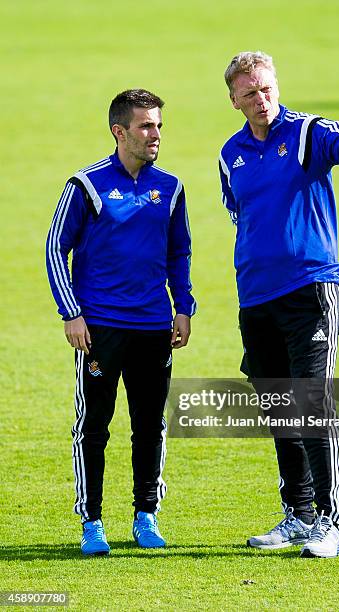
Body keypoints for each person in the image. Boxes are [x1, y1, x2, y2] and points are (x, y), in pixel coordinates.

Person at [219, 52, 339, 558]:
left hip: (311, 289)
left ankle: (330, 524)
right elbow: (239, 213)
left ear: (276, 86)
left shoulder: (306, 132)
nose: (260, 99)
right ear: (234, 100)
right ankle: (299, 515)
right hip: (256, 295)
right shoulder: (229, 154)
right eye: (249, 93)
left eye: (265, 88)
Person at [46, 89, 196, 556]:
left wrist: (184, 306)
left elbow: (179, 251)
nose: (155, 135)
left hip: (154, 326)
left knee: (150, 424)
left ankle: (145, 515)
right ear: (120, 131)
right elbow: (55, 249)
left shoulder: (169, 187)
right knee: (94, 425)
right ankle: (92, 521)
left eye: (158, 126)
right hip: (101, 330)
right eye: (146, 126)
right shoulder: (86, 185)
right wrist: (71, 313)